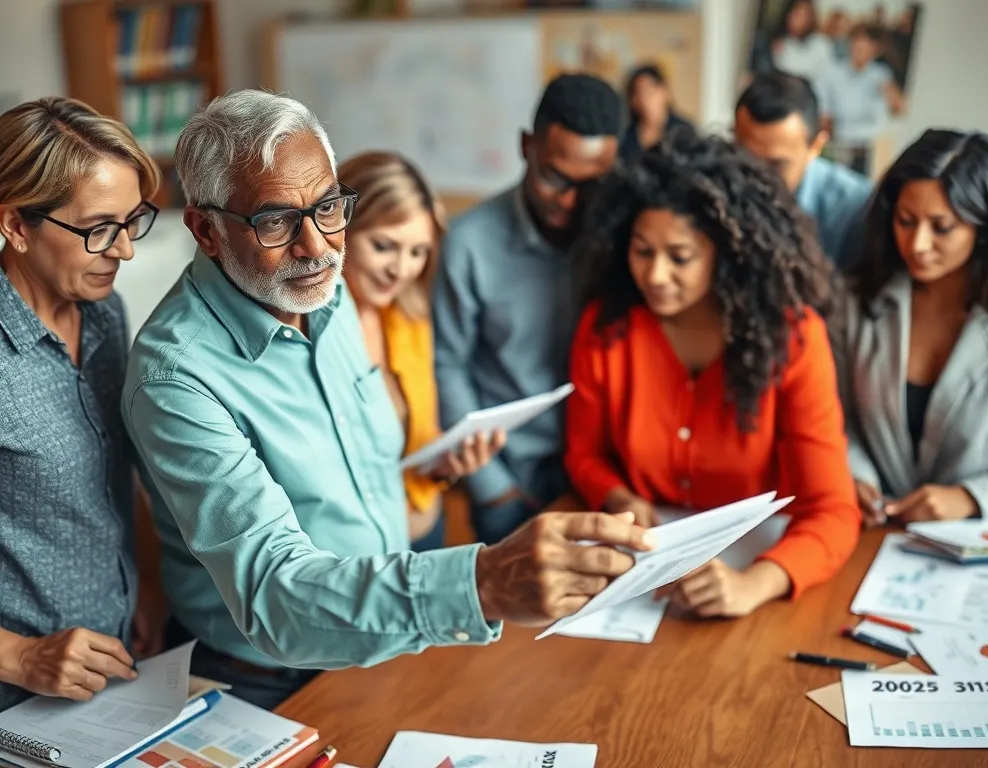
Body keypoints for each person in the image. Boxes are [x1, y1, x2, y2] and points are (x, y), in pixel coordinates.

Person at [123, 89, 653, 710]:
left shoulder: (327, 295)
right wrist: (481, 583)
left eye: (327, 208)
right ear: (206, 231)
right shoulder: (175, 377)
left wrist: (423, 474)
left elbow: (350, 472)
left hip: (391, 634)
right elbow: (274, 594)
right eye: (274, 221)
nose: (317, 248)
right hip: (274, 678)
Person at [565, 133, 861, 618]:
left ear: (727, 255)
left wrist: (754, 584)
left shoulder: (792, 338)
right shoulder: (606, 328)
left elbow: (833, 510)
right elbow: (583, 453)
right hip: (641, 579)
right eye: (642, 251)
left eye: (680, 257)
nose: (656, 275)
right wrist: (617, 494)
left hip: (756, 577)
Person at [0, 97, 163, 710]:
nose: (124, 251)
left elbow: (118, 468)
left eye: (132, 221)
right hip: (19, 702)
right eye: (98, 229)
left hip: (118, 666)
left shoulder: (104, 313)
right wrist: (20, 656)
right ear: (16, 224)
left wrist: (143, 586)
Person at [433, 73, 623, 545]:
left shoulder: (622, 240)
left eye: (592, 185)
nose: (572, 202)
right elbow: (447, 365)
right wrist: (494, 490)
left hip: (604, 474)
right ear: (526, 146)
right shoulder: (469, 243)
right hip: (509, 481)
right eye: (554, 177)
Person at [835, 130, 988, 527]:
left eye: (941, 227)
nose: (918, 244)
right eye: (906, 221)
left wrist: (970, 498)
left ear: (986, 227)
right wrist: (856, 474)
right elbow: (835, 415)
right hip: (870, 533)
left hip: (981, 545)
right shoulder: (855, 300)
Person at [337, 151, 505, 551]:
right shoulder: (312, 330)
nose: (401, 269)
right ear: (337, 227)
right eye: (383, 246)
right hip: (361, 551)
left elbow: (415, 438)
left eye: (418, 251)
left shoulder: (409, 315)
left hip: (427, 528)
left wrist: (445, 464)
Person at [735, 71, 873, 267]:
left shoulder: (854, 206)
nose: (758, 174)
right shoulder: (716, 188)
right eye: (747, 159)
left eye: (777, 165)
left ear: (816, 146)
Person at [815, 24, 904, 174]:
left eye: (866, 44)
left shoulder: (881, 74)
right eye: (856, 42)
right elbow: (824, 115)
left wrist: (889, 90)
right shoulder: (832, 72)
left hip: (872, 146)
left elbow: (899, 108)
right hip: (841, 142)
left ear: (875, 49)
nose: (860, 48)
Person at [618, 64, 697, 165]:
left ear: (664, 92)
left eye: (649, 92)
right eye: (638, 93)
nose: (644, 99)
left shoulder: (683, 131)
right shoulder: (625, 135)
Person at [770, 0, 835, 84]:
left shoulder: (822, 45)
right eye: (795, 14)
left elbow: (825, 79)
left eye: (804, 16)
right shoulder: (780, 43)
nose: (799, 20)